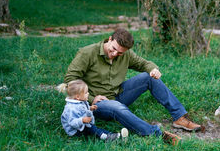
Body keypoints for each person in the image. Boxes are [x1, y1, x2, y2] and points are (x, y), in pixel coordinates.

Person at [63, 28, 201, 144]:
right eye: (113, 49)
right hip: (96, 104)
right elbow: (70, 80)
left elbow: (143, 64)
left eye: (120, 53)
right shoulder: (87, 53)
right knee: (116, 107)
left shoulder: (125, 54)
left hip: (118, 94)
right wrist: (90, 98)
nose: (115, 54)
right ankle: (156, 134)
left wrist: (153, 69)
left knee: (148, 77)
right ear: (109, 39)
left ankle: (179, 117)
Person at [59, 79, 129, 141]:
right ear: (77, 96)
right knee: (92, 129)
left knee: (94, 128)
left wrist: (90, 108)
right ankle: (107, 138)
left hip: (82, 125)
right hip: (75, 130)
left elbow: (82, 110)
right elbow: (72, 122)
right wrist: (82, 120)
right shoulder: (71, 108)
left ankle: (114, 135)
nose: (88, 94)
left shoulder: (81, 101)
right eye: (86, 93)